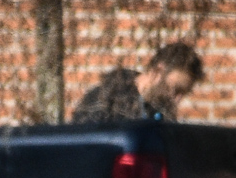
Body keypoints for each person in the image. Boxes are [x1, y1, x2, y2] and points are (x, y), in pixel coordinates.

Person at [72, 42, 203, 123]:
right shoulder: (105, 99)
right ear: (158, 71)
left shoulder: (163, 112)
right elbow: (84, 148)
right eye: (175, 89)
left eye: (183, 93)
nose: (177, 99)